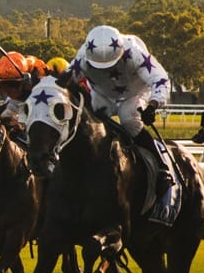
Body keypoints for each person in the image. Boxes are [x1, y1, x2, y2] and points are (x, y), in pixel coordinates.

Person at [68, 23, 177, 220]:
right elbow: (64, 82)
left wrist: (153, 104)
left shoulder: (134, 52)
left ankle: (162, 170)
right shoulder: (83, 56)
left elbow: (160, 79)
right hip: (101, 95)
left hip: (135, 94)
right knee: (89, 123)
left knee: (128, 118)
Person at [0, 49, 48, 136]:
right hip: (17, 102)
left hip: (40, 99)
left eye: (14, 84)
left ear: (26, 78)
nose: (11, 90)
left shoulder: (39, 71)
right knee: (5, 121)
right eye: (5, 85)